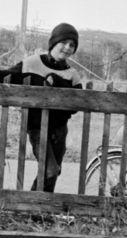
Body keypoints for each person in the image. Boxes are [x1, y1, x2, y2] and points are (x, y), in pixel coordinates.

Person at [12, 23, 83, 193]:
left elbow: (76, 105)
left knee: (54, 171)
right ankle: (33, 204)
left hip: (59, 130)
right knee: (50, 170)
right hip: (37, 129)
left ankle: (39, 209)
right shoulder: (32, 63)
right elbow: (6, 77)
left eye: (72, 45)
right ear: (53, 43)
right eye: (63, 42)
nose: (67, 48)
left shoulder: (72, 73)